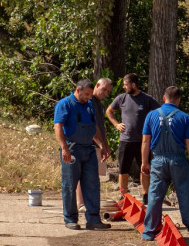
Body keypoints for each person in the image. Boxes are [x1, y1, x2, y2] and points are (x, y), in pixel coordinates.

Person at [140, 85, 189, 240]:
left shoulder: (151, 116)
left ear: (164, 98)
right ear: (179, 100)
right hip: (178, 160)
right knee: (185, 193)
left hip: (158, 160)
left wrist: (144, 162)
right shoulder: (184, 117)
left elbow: (145, 142)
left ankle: (149, 231)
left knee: (155, 195)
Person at [53, 79, 112, 230]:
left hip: (89, 150)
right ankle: (70, 219)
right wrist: (64, 147)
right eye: (86, 94)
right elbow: (58, 126)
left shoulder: (90, 105)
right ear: (78, 90)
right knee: (70, 184)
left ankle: (93, 220)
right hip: (72, 150)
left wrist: (102, 146)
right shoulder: (64, 104)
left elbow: (95, 127)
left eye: (90, 95)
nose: (88, 97)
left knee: (92, 184)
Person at [106, 73, 159, 203]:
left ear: (133, 85)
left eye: (125, 84)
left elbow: (160, 112)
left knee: (145, 168)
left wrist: (153, 128)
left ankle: (146, 196)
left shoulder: (147, 99)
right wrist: (116, 124)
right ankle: (123, 195)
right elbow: (109, 111)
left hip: (143, 142)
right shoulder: (121, 98)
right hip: (126, 140)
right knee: (123, 169)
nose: (124, 87)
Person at [77, 77, 114, 211]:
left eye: (108, 92)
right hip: (86, 142)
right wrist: (100, 143)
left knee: (94, 174)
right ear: (97, 85)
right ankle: (81, 203)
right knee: (82, 174)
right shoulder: (88, 101)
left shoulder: (100, 105)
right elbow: (90, 125)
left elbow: (101, 126)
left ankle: (90, 202)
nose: (105, 93)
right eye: (104, 89)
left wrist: (105, 145)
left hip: (98, 144)